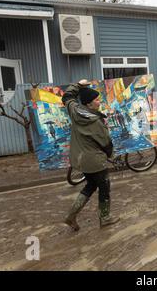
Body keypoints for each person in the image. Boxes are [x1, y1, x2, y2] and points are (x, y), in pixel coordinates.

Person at [62, 79, 120, 231]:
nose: (99, 102)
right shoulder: (95, 121)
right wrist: (112, 156)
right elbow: (106, 143)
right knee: (104, 187)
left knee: (91, 185)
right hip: (95, 161)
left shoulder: (74, 111)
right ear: (89, 104)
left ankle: (71, 215)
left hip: (81, 160)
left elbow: (67, 97)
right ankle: (105, 217)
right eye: (96, 99)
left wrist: (79, 85)